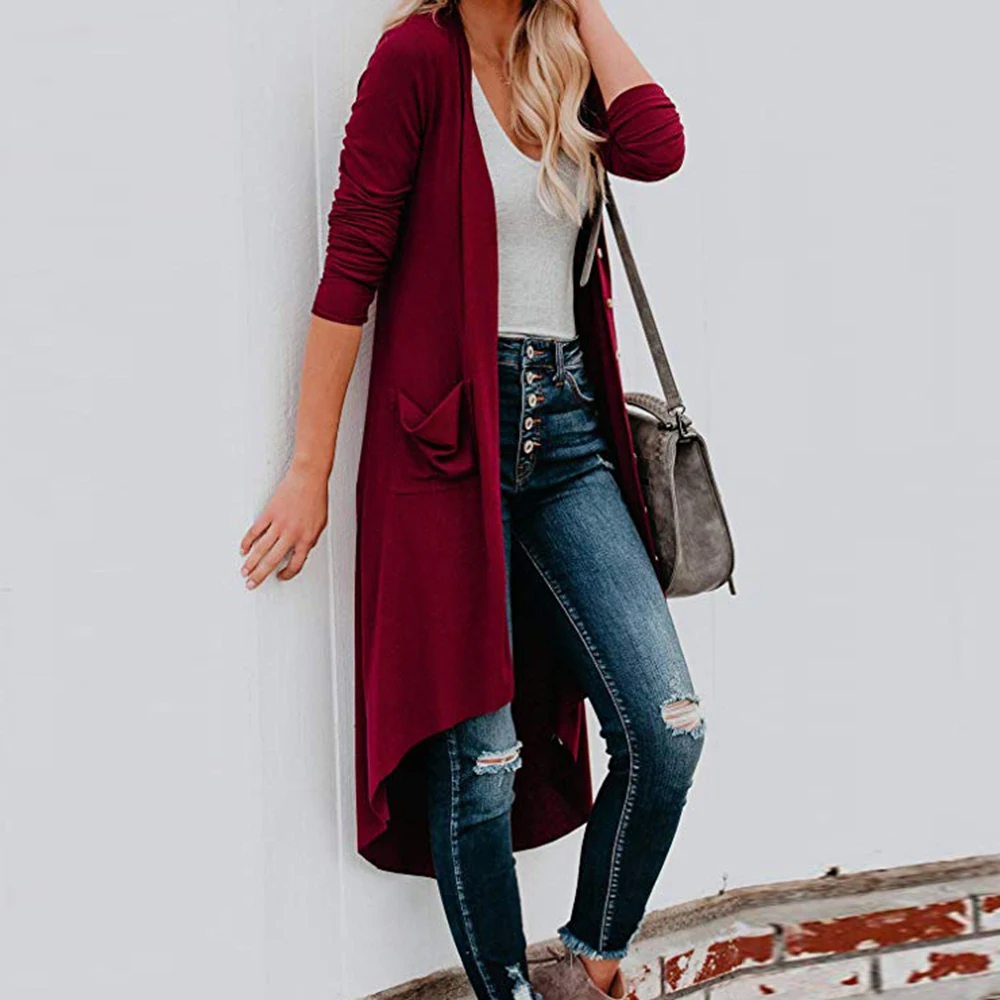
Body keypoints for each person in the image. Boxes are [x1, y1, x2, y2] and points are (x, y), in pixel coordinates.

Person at [239, 2, 706, 998]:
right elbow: (353, 262)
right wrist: (310, 465)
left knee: (666, 728)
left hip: (572, 436)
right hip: (446, 448)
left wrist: (584, 9)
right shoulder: (415, 59)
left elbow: (656, 148)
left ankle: (591, 961)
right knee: (484, 759)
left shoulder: (561, 56)